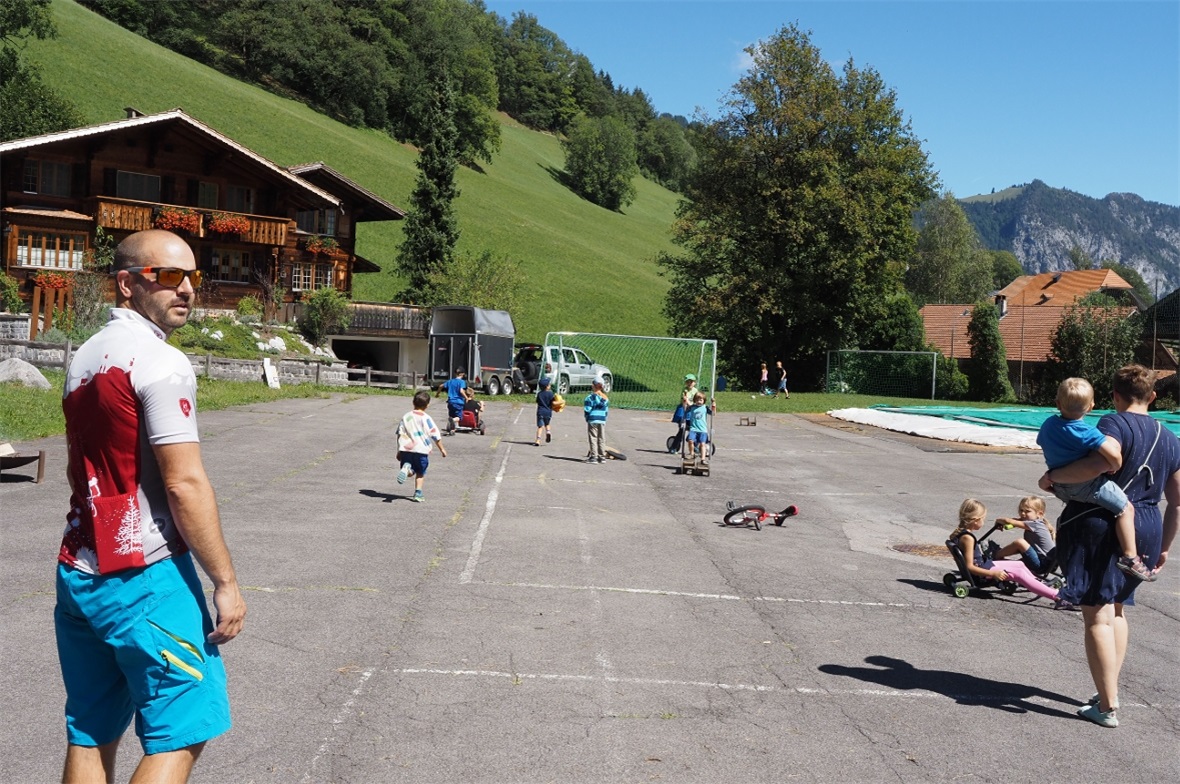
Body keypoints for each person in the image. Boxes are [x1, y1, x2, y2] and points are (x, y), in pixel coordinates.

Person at [56, 229, 246, 783]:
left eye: (192, 276)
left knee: (91, 728)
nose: (185, 288)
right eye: (167, 277)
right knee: (184, 727)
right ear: (126, 283)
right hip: (145, 570)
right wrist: (225, 581)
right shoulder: (161, 361)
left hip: (81, 564)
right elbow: (184, 483)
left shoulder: (86, 356)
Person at [1039, 364, 1180, 728]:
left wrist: (1054, 477)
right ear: (1152, 396)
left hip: (1100, 525)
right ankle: (1109, 691)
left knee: (1096, 614)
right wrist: (1165, 545)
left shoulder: (1111, 423)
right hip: (1147, 525)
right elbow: (1177, 501)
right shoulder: (1170, 437)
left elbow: (1104, 461)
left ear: (1114, 396)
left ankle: (1107, 704)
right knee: (1118, 610)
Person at [1038, 377, 1152, 581]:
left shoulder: (1048, 424)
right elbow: (1114, 455)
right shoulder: (1085, 431)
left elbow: (1043, 442)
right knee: (1126, 508)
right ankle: (1130, 556)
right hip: (1086, 485)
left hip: (1060, 485)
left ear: (1057, 404)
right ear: (1091, 406)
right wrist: (1114, 466)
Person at [950, 499, 1061, 603]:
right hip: (983, 574)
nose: (983, 521)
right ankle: (1057, 596)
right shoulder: (968, 538)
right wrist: (993, 573)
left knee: (1020, 564)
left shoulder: (960, 534)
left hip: (985, 565)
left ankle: (1039, 585)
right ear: (976, 520)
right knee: (1020, 573)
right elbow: (970, 567)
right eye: (983, 518)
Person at [396, 390, 448, 502]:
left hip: (406, 448)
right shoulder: (426, 418)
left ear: (413, 402)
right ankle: (418, 493)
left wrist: (399, 450)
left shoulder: (406, 416)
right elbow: (435, 434)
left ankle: (407, 468)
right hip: (421, 449)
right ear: (427, 405)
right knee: (420, 472)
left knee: (410, 470)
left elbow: (400, 433)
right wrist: (442, 449)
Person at [992, 496, 1055, 572]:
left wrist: (999, 520)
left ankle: (996, 555)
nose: (1022, 513)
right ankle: (1000, 561)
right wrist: (1006, 522)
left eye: (1027, 511)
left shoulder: (1035, 524)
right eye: (1021, 510)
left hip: (1042, 564)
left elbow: (1012, 521)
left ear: (1039, 514)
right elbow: (1016, 520)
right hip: (1046, 563)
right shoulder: (1037, 522)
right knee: (1018, 556)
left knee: (1020, 543)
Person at [669, 373, 698, 453]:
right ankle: (674, 447)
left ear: (694, 382)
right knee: (682, 430)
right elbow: (685, 401)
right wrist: (690, 404)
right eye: (688, 382)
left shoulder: (695, 391)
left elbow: (697, 400)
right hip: (684, 411)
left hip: (692, 412)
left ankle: (693, 443)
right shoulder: (685, 390)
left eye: (691, 382)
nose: (689, 384)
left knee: (694, 429)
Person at [436, 367, 469, 435]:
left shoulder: (450, 381)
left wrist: (437, 394)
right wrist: (466, 397)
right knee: (459, 417)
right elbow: (461, 391)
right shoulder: (462, 382)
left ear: (455, 373)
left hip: (450, 401)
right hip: (458, 402)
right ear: (462, 374)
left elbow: (441, 386)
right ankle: (453, 421)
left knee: (452, 415)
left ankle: (452, 429)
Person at [584, 377, 609, 463]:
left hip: (593, 419)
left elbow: (587, 409)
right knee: (601, 438)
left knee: (593, 437)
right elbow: (606, 411)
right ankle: (602, 457)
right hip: (601, 419)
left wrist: (587, 417)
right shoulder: (605, 398)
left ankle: (594, 456)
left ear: (593, 386)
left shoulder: (590, 397)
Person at [685, 391, 712, 463]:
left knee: (702, 444)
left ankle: (703, 459)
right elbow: (686, 409)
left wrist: (714, 405)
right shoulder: (692, 407)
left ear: (704, 400)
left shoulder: (705, 408)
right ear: (695, 400)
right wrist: (685, 400)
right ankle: (692, 454)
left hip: (703, 430)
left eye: (701, 400)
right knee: (690, 441)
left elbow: (713, 413)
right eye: (697, 400)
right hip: (693, 429)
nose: (699, 402)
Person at [534, 377, 555, 446]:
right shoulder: (550, 394)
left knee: (540, 426)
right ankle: (548, 432)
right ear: (547, 386)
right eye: (549, 384)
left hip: (540, 411)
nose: (550, 385)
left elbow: (537, 401)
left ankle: (538, 440)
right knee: (547, 424)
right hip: (548, 412)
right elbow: (553, 402)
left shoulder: (539, 394)